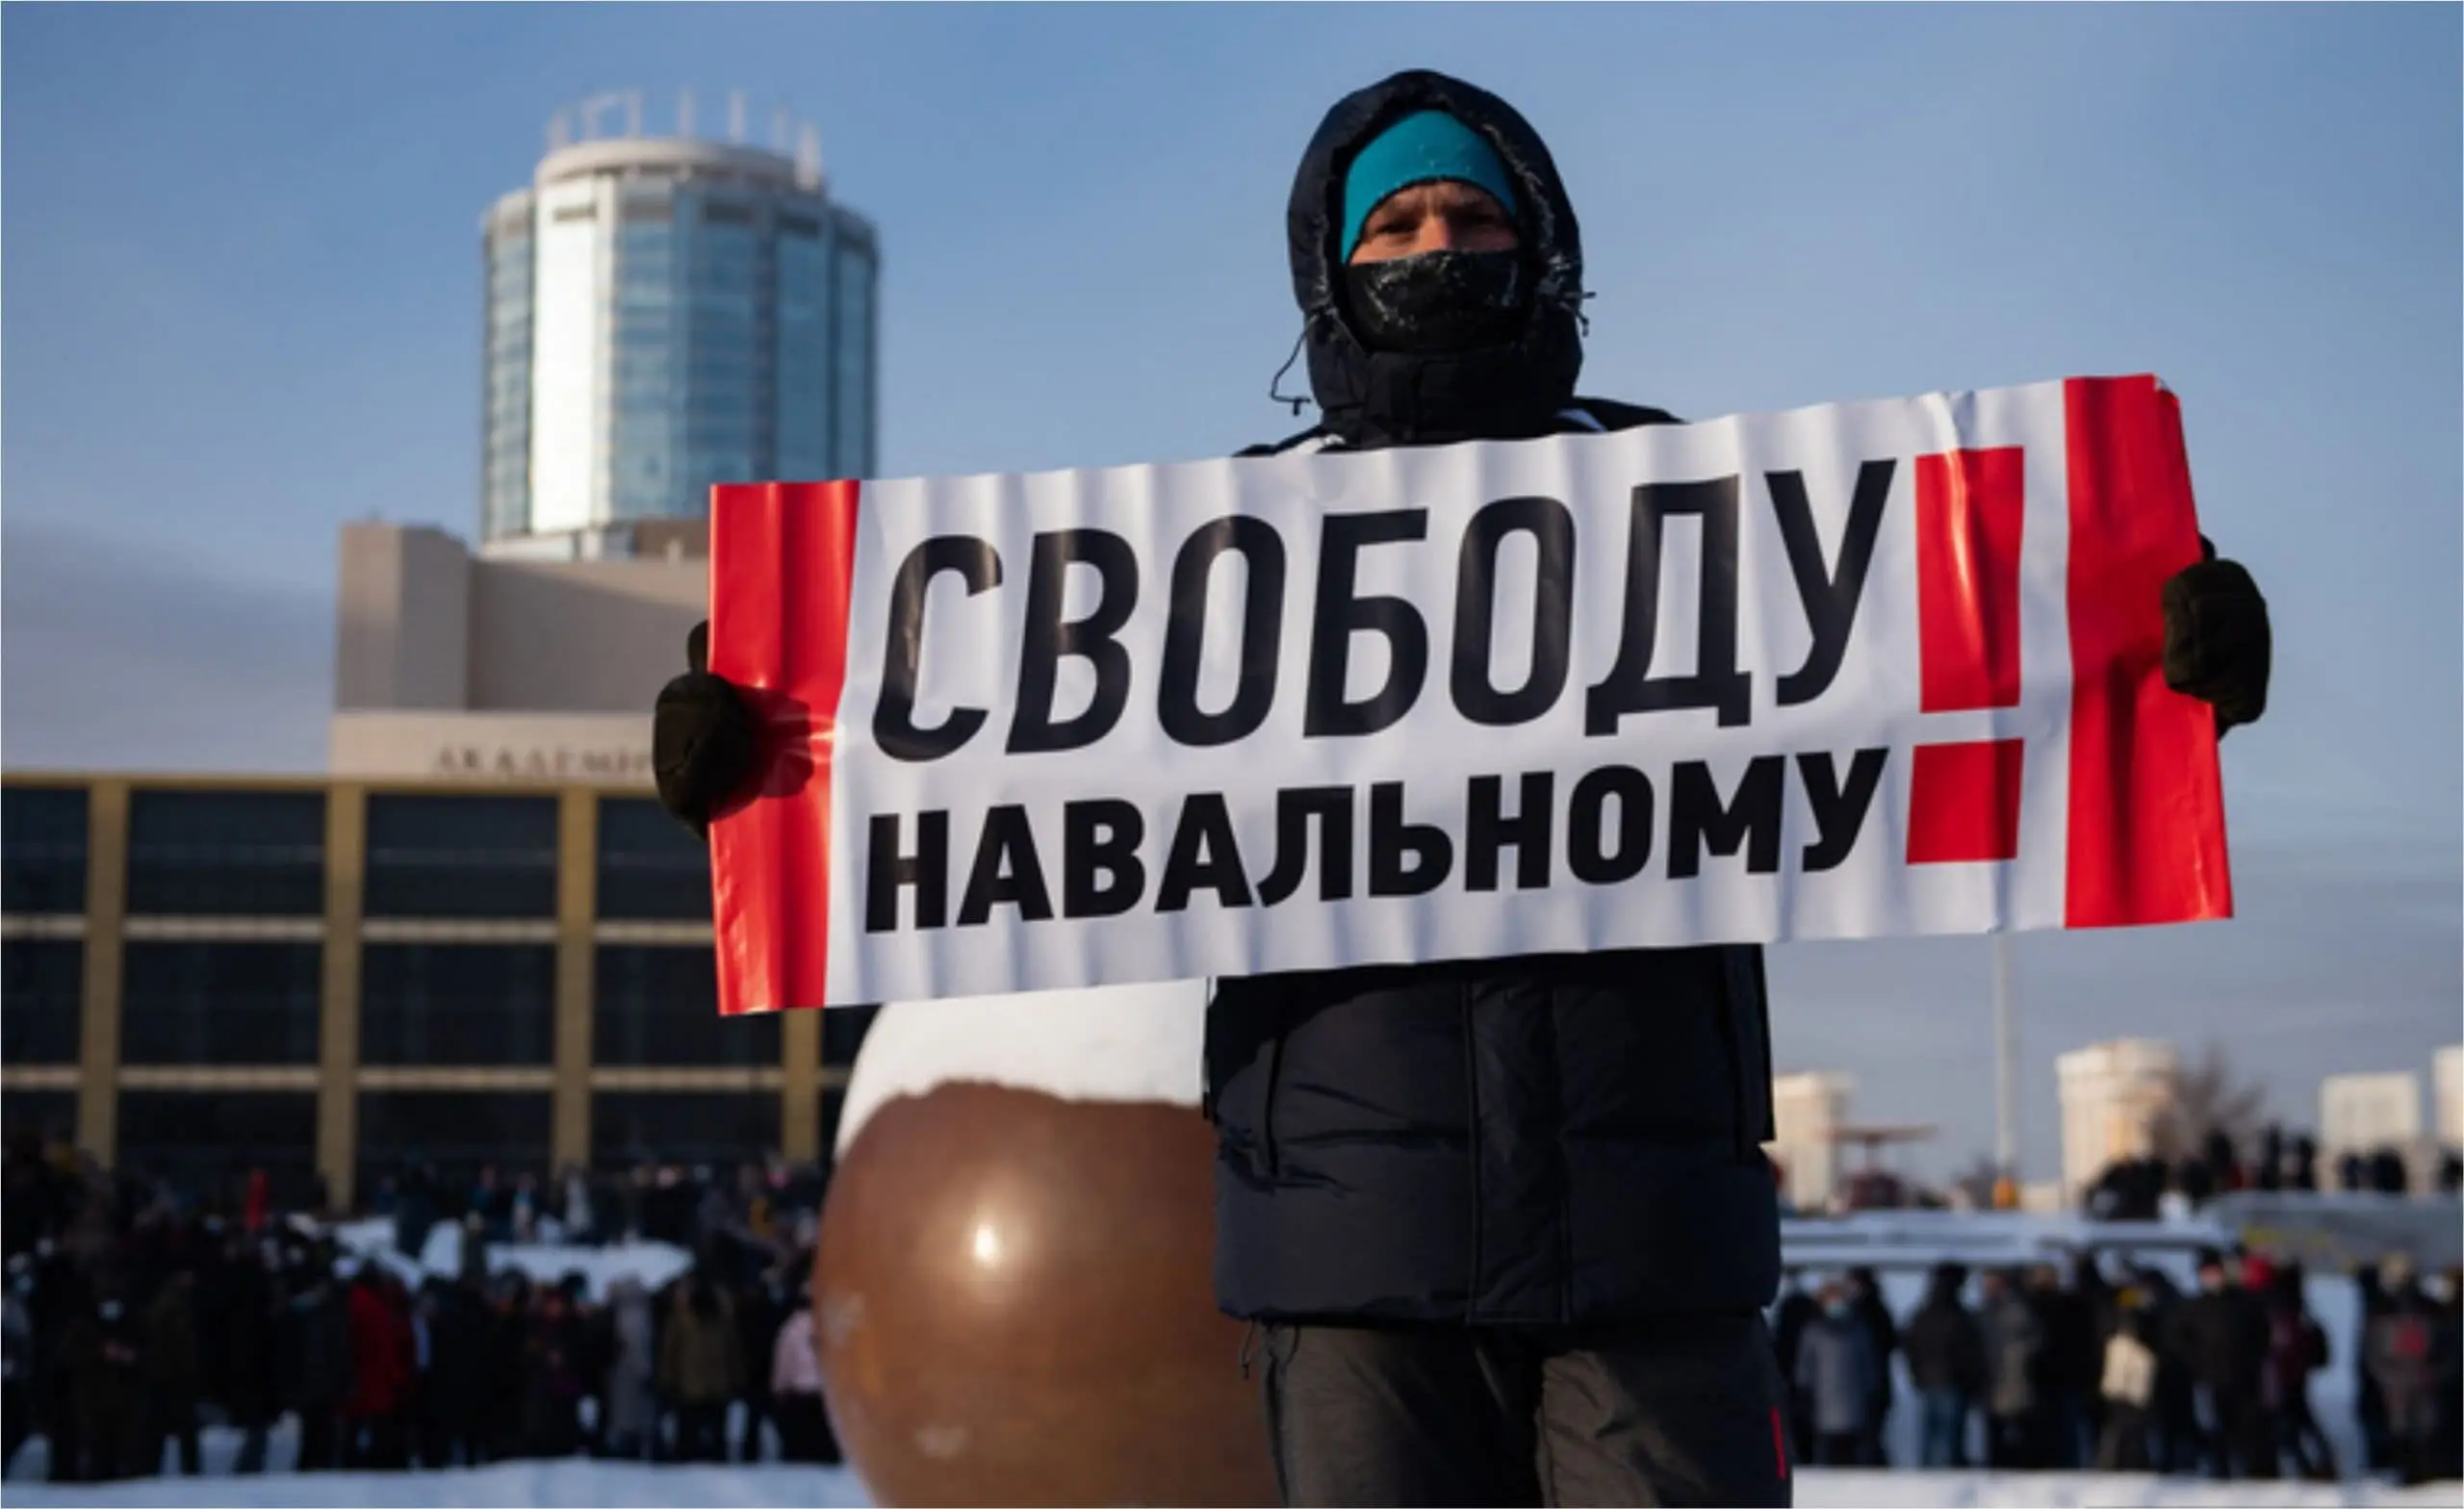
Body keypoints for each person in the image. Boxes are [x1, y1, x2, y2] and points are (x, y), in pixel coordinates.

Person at [648, 68, 2273, 1508]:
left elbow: (1938, 657)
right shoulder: (1223, 552)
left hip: (1652, 1253)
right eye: (1398, 223)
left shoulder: (1700, 509)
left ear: (1541, 243)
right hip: (1348, 1270)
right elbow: (992, 740)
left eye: (1473, 216)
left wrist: (2152, 641)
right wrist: (769, 732)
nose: (1436, 247)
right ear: (1332, 268)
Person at [2173, 1247, 2272, 1479]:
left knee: (2247, 1428)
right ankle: (2220, 1471)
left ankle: (2253, 1472)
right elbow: (2182, 1341)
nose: (2211, 1277)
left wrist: (2253, 1363)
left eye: (2215, 1272)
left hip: (2243, 1378)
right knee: (2216, 1427)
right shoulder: (2194, 1307)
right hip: (2211, 1379)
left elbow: (2261, 1336)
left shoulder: (2243, 1302)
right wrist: (2197, 1366)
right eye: (2206, 1273)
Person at [2366, 1253, 2452, 1487]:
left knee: (2409, 1428)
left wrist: (2385, 1376)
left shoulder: (2384, 1310)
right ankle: (2420, 1474)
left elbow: (2372, 1351)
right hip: (2414, 1378)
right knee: (2419, 1428)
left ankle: (2414, 1475)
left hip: (2407, 1379)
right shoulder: (2428, 1308)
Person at [1902, 1262, 1984, 1469]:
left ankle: (1930, 1472)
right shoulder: (1959, 1315)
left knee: (1931, 1435)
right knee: (1950, 1436)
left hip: (1929, 1380)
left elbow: (1909, 1346)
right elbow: (1969, 1352)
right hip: (1953, 1381)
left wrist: (1917, 1374)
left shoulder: (1923, 1313)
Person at [658, 1270, 742, 1465]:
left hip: (697, 1384)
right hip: (706, 1384)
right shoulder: (719, 1315)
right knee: (696, 1433)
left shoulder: (686, 1315)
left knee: (699, 1434)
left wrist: (668, 1378)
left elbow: (671, 1351)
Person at [1792, 1282, 1880, 1467]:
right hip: (1837, 1405)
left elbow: (1804, 1372)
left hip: (1836, 1406)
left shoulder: (1853, 1331)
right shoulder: (1820, 1331)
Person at [1979, 1268, 2043, 1470]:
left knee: (2019, 1431)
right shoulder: (1984, 1312)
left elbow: (2035, 1340)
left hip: (2015, 1380)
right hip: (1993, 1383)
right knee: (1995, 1434)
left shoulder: (2016, 1310)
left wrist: (2018, 1355)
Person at [141, 1266, 202, 1475]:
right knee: (173, 1428)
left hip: (171, 1374)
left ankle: (155, 1469)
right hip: (170, 1375)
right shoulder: (171, 1304)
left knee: (168, 1429)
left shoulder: (174, 1302)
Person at [2094, 1306, 2157, 1471]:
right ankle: (2115, 1463)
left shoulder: (2137, 1350)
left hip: (2127, 1396)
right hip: (2122, 1396)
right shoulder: (2121, 1347)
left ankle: (2125, 1463)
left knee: (2125, 1434)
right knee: (2118, 1433)